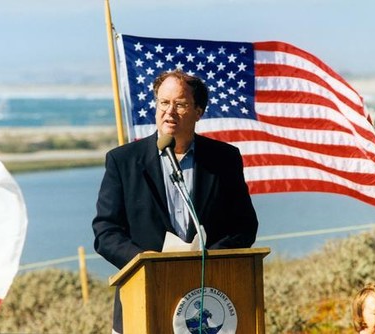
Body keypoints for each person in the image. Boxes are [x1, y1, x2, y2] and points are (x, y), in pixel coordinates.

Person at [92, 69, 259, 334]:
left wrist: (209, 260)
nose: (169, 112)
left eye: (180, 104)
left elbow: (244, 226)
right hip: (141, 301)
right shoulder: (123, 161)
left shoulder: (223, 159)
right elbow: (106, 232)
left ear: (199, 111)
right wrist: (145, 263)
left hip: (210, 301)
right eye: (163, 102)